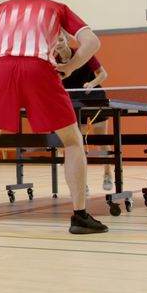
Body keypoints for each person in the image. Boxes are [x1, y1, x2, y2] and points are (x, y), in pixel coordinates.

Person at [0, 0, 108, 234]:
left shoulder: (0, 8)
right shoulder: (58, 8)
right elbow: (91, 41)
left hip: (3, 67)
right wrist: (71, 67)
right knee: (71, 141)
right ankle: (80, 216)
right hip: (40, 68)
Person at [53, 34, 112, 191]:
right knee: (77, 144)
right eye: (54, 41)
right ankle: (81, 183)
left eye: (60, 39)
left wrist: (92, 84)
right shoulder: (54, 62)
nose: (57, 43)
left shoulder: (82, 54)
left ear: (66, 40)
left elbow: (103, 74)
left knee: (100, 141)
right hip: (74, 104)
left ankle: (107, 174)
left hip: (94, 99)